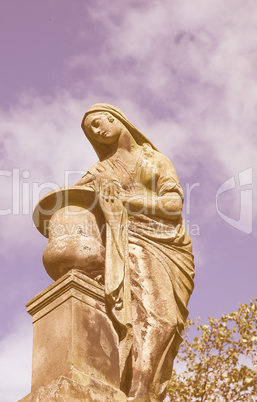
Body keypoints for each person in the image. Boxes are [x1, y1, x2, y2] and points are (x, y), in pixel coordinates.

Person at [76, 103, 195, 401]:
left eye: (99, 122)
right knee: (152, 318)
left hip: (172, 246)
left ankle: (146, 389)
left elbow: (174, 205)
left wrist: (128, 200)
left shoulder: (154, 160)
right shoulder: (100, 171)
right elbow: (73, 202)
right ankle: (137, 390)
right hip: (130, 241)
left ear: (115, 118)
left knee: (167, 322)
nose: (98, 131)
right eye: (91, 131)